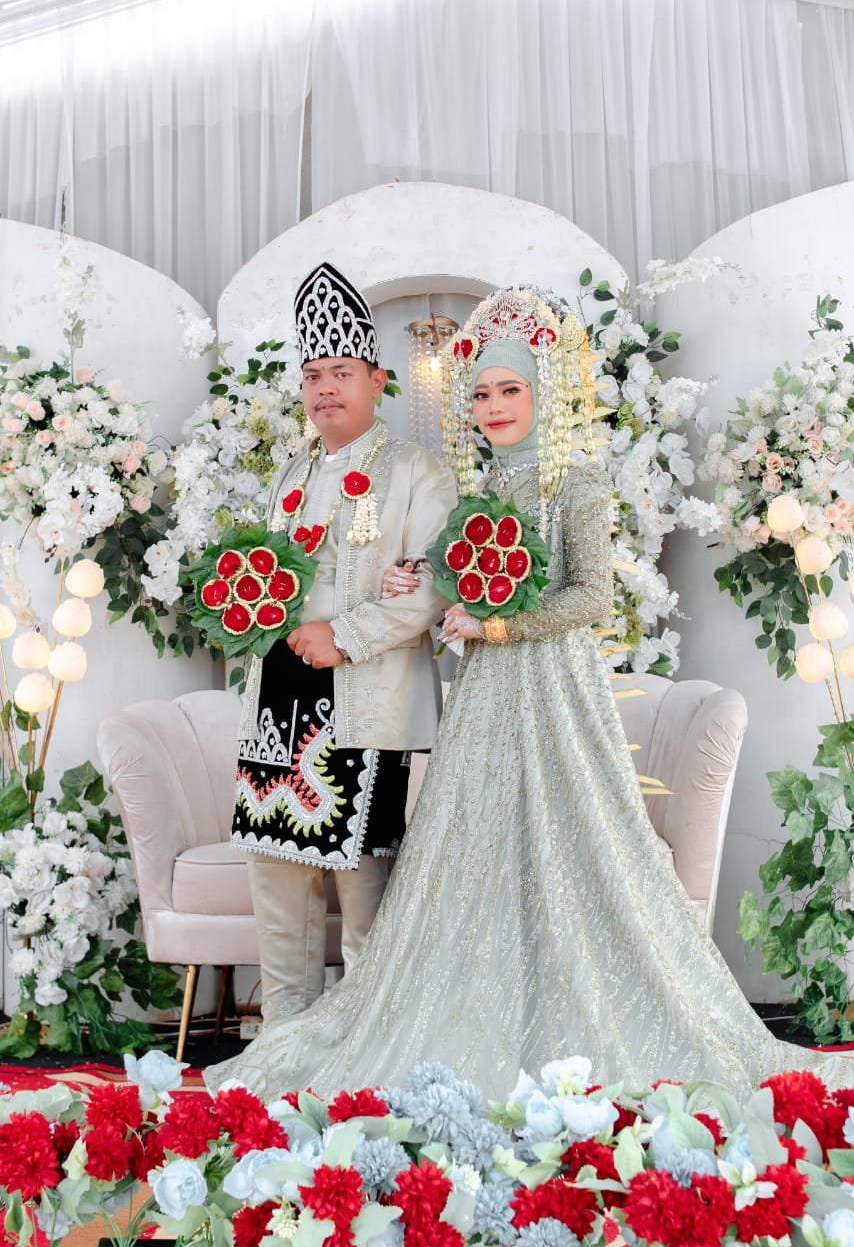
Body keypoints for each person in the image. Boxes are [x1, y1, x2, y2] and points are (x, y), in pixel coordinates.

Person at [207, 286, 852, 1099]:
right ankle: (328, 1037)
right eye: (481, 392)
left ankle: (510, 1026)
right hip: (433, 695)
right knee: (427, 861)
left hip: (527, 691)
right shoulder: (450, 483)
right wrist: (425, 583)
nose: (494, 406)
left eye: (510, 389)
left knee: (536, 852)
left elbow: (589, 598)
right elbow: (447, 571)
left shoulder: (553, 480)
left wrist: (482, 623)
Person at [231, 261, 456, 1026]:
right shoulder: (289, 473)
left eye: (341, 373)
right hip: (280, 699)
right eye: (313, 375)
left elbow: (432, 584)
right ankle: (283, 1045)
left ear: (376, 380)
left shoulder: (417, 471)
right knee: (278, 881)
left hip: (365, 699)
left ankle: (365, 1054)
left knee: (364, 891)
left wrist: (346, 634)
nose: (325, 388)